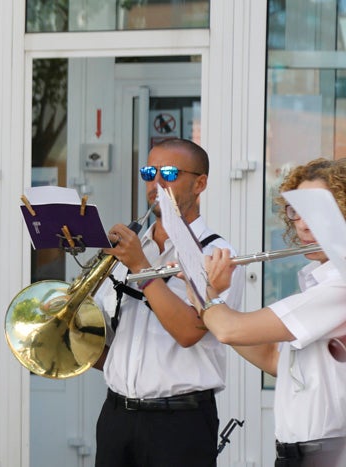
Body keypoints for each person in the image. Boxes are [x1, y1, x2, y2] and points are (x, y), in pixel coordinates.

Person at [91, 138, 246, 466]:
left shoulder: (216, 255)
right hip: (116, 415)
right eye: (149, 172)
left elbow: (189, 332)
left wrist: (139, 267)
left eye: (170, 173)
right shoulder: (132, 249)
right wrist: (67, 342)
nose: (157, 183)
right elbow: (113, 342)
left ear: (200, 183)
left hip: (179, 423)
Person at [197, 158, 346, 467]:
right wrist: (209, 298)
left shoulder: (341, 285)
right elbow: (272, 358)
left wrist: (205, 290)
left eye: (316, 213)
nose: (303, 224)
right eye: (296, 212)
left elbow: (228, 329)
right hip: (299, 454)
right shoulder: (316, 279)